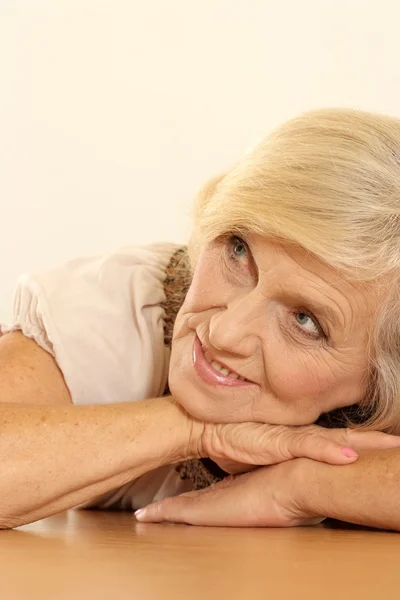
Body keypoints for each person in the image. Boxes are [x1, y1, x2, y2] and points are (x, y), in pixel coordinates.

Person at [2, 108, 400, 530]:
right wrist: (196, 430)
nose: (225, 333)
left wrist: (301, 485)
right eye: (239, 252)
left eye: (305, 320)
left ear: (379, 382)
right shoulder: (130, 305)